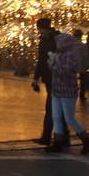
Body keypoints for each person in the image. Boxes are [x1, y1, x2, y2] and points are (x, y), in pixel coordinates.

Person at [48, 32, 89, 154]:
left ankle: (86, 140)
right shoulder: (58, 54)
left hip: (68, 90)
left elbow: (66, 71)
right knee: (56, 117)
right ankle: (57, 142)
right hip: (56, 90)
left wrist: (52, 63)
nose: (56, 44)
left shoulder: (69, 55)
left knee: (69, 118)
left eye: (58, 42)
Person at [32, 18, 58, 146]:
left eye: (39, 28)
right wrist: (36, 78)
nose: (39, 31)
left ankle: (49, 136)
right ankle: (55, 137)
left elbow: (44, 60)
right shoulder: (44, 40)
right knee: (53, 107)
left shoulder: (56, 39)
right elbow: (41, 60)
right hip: (48, 77)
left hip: (56, 76)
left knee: (52, 107)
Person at [72, 28, 89, 102]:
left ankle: (73, 92)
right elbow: (85, 56)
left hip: (71, 64)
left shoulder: (70, 45)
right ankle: (82, 95)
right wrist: (88, 64)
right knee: (83, 80)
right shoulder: (82, 45)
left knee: (72, 79)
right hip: (81, 64)